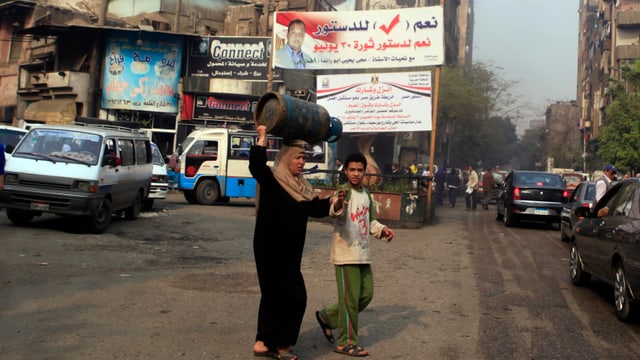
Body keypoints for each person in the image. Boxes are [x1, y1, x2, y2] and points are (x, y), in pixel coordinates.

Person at [249, 125, 337, 360]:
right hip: (270, 248)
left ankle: (262, 341)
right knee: (295, 297)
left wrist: (334, 203)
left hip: (290, 252)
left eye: (304, 158)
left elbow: (314, 208)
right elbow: (256, 167)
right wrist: (262, 139)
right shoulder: (274, 180)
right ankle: (281, 345)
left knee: (273, 295)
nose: (302, 162)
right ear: (287, 156)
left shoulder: (302, 187)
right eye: (298, 157)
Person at [315, 152, 395, 358]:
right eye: (352, 170)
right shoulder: (343, 191)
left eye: (360, 170)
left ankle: (327, 316)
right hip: (345, 255)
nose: (356, 174)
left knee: (366, 295)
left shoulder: (366, 194)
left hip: (363, 254)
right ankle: (346, 342)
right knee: (349, 300)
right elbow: (335, 209)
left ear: (364, 171)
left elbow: (371, 222)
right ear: (346, 171)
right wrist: (339, 202)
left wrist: (383, 230)